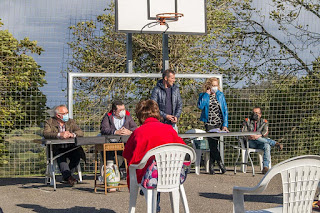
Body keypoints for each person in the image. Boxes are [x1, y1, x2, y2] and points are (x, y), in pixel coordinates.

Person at [123, 100, 186, 212]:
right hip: (173, 175)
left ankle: (152, 205)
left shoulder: (138, 132)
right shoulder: (169, 129)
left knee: (146, 169)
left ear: (140, 115)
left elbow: (127, 154)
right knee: (157, 169)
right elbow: (183, 148)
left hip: (150, 177)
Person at [43, 105, 85, 186]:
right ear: (58, 115)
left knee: (77, 155)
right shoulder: (49, 122)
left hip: (70, 146)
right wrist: (59, 135)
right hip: (56, 148)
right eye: (64, 113)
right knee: (60, 157)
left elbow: (80, 132)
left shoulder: (71, 122)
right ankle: (68, 177)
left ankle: (67, 176)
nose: (67, 115)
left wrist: (73, 134)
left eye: (67, 113)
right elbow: (46, 133)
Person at [197, 77, 228, 175]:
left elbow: (225, 110)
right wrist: (207, 94)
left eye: (216, 85)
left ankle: (211, 165)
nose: (215, 87)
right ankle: (220, 163)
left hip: (218, 122)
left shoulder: (220, 95)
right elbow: (200, 106)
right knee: (213, 143)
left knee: (214, 145)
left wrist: (225, 124)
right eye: (213, 85)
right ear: (209, 86)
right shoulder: (203, 95)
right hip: (209, 123)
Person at [242, 107, 283, 174]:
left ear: (260, 114)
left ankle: (265, 167)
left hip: (261, 141)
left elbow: (265, 132)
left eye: (257, 113)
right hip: (250, 142)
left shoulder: (264, 122)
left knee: (266, 145)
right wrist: (250, 136)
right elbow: (243, 132)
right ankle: (275, 143)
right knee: (263, 141)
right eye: (253, 113)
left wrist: (258, 135)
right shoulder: (247, 121)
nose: (254, 114)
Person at [100, 100, 137, 167]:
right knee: (108, 153)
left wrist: (129, 132)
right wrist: (115, 132)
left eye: (124, 109)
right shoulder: (108, 117)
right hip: (111, 143)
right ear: (114, 111)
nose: (123, 111)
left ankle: (126, 168)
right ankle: (110, 169)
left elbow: (134, 128)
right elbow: (104, 129)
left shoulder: (128, 116)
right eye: (120, 110)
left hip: (125, 143)